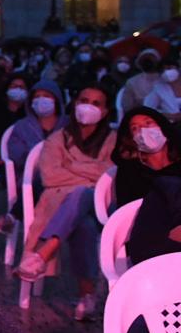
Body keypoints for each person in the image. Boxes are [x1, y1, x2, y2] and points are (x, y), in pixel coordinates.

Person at [17, 86, 117, 318]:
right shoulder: (57, 138)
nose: (88, 106)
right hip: (68, 208)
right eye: (84, 100)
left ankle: (41, 255)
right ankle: (86, 295)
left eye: (96, 103)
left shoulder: (113, 140)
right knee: (84, 224)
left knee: (82, 194)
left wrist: (71, 167)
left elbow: (110, 174)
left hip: (104, 205)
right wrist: (90, 175)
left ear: (104, 111)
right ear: (74, 103)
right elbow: (50, 176)